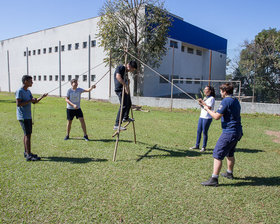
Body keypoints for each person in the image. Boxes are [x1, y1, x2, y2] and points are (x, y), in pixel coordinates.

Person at [201, 83, 243, 187]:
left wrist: (207, 109)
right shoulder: (235, 100)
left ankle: (214, 179)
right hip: (237, 131)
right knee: (230, 153)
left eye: (221, 91)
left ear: (224, 91)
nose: (220, 93)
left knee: (217, 154)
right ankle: (229, 173)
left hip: (229, 132)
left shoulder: (226, 100)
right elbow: (224, 112)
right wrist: (207, 107)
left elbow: (216, 117)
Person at [16, 75, 48, 161]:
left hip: (28, 116)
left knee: (27, 134)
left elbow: (34, 102)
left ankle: (26, 152)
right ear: (25, 81)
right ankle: (28, 155)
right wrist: (30, 100)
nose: (32, 82)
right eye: (30, 81)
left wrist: (41, 97)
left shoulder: (28, 91)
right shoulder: (20, 91)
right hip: (23, 116)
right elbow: (18, 104)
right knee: (28, 135)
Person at [190, 86, 215, 152]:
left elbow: (209, 107)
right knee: (198, 131)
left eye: (206, 89)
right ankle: (197, 145)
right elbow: (203, 106)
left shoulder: (212, 98)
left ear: (210, 91)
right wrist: (200, 103)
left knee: (204, 132)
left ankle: (204, 147)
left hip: (207, 117)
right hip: (201, 116)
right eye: (204, 89)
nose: (204, 90)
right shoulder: (205, 98)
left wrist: (202, 102)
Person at [113, 61, 137, 130]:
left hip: (124, 89)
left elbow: (124, 81)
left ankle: (125, 118)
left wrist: (127, 83)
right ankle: (117, 125)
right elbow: (118, 77)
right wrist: (126, 85)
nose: (132, 71)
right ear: (129, 66)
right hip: (120, 89)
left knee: (129, 103)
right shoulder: (121, 67)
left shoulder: (126, 72)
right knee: (123, 105)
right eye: (132, 69)